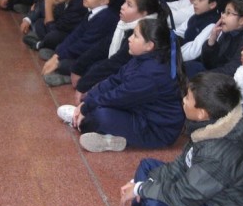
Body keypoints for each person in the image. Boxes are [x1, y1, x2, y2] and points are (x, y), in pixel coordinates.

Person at [112, 72, 243, 206]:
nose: (183, 100)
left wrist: (141, 188)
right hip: (203, 189)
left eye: (188, 98)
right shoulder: (211, 126)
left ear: (202, 113)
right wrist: (141, 185)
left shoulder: (217, 154)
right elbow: (181, 165)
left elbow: (184, 195)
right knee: (148, 167)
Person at [58, 15, 185, 152]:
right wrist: (88, 100)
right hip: (140, 112)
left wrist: (86, 108)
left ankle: (82, 121)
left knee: (102, 115)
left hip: (157, 130)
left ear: (149, 46)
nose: (129, 38)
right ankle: (110, 136)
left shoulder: (153, 73)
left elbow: (119, 96)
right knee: (99, 105)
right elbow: (114, 80)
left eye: (135, 36)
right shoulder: (141, 59)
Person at [71, 0, 160, 100]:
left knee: (98, 94)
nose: (122, 6)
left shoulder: (143, 35)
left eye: (129, 5)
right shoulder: (124, 25)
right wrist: (78, 67)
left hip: (133, 81)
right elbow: (103, 46)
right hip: (121, 70)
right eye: (124, 2)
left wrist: (83, 84)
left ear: (143, 13)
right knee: (87, 65)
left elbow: (117, 63)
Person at [41, 0, 118, 87]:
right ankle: (64, 65)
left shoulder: (106, 17)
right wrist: (57, 55)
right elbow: (75, 34)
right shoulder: (92, 12)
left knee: (67, 65)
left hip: (97, 57)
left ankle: (70, 77)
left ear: (104, 1)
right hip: (85, 53)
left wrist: (59, 58)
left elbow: (85, 44)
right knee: (60, 49)